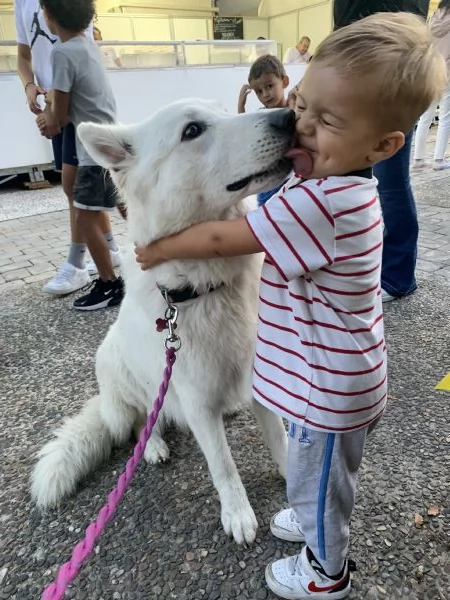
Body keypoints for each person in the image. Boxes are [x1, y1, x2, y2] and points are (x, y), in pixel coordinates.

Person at [134, 13, 445, 599]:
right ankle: (310, 516)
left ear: (382, 145)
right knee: (315, 479)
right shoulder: (341, 185)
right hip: (331, 378)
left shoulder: (323, 204)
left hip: (325, 392)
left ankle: (326, 570)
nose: (296, 125)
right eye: (302, 105)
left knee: (318, 481)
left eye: (324, 121)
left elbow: (229, 239)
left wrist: (159, 249)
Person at [14, 0, 121, 296]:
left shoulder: (61, 53)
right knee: (122, 206)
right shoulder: (88, 47)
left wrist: (46, 118)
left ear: (49, 17)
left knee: (83, 215)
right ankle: (148, 261)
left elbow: (60, 116)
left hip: (89, 147)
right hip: (107, 141)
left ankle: (109, 284)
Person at [333, 1, 430, 303]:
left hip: (390, 71)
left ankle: (398, 277)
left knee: (391, 184)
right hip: (360, 66)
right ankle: (372, 270)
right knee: (360, 181)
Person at [237, 55, 291, 206]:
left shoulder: (294, 110)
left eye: (269, 86)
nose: (265, 95)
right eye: (259, 91)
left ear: (284, 81)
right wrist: (241, 105)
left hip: (292, 181)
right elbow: (246, 135)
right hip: (267, 184)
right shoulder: (261, 115)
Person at [413, 0, 450, 170]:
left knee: (425, 116)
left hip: (431, 71)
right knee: (445, 117)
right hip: (448, 72)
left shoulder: (432, 19)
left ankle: (419, 159)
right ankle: (439, 161)